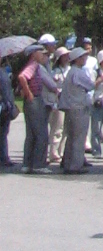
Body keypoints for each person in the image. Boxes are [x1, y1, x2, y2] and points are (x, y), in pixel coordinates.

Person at [18, 38, 57, 171]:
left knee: (31, 134)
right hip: (35, 100)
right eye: (41, 53)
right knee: (41, 133)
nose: (43, 55)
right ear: (34, 54)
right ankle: (38, 164)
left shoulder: (33, 65)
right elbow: (22, 77)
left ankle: (27, 163)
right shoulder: (33, 65)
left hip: (31, 101)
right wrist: (29, 93)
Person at [60, 48, 95, 172]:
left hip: (70, 107)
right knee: (79, 138)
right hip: (79, 107)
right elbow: (91, 85)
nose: (85, 59)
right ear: (77, 59)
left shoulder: (71, 72)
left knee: (71, 137)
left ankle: (68, 163)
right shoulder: (79, 73)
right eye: (83, 57)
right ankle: (76, 166)